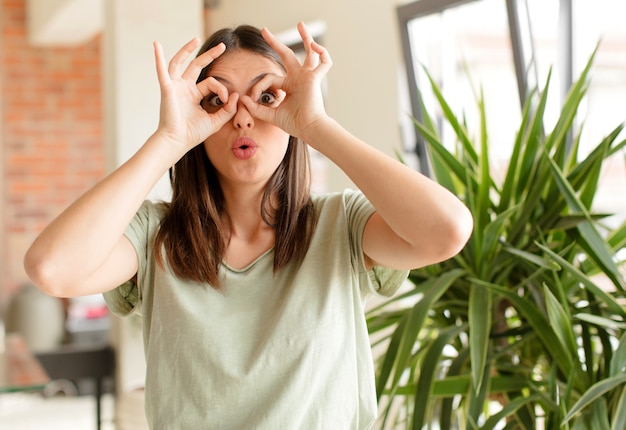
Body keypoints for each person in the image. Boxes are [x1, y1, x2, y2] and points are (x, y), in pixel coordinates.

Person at [24, 21, 473, 429]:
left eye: (266, 98)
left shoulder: (342, 224)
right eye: (216, 100)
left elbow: (447, 231)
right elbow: (51, 268)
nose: (242, 117)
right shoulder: (154, 235)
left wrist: (315, 125)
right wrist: (168, 141)